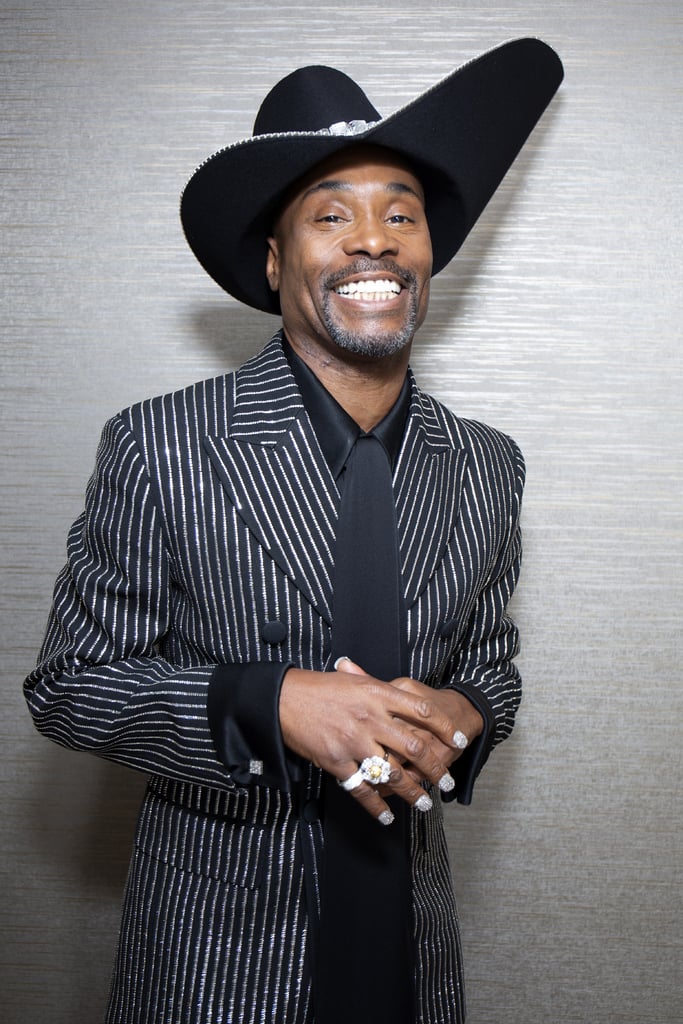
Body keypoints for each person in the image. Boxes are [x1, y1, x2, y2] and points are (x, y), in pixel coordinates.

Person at [24, 38, 563, 1024]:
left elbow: (492, 663)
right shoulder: (160, 443)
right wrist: (272, 705)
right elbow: (72, 688)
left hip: (408, 954)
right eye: (329, 214)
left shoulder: (490, 464)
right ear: (274, 261)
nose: (372, 239)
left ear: (426, 253)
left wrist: (465, 718)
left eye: (399, 213)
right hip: (211, 966)